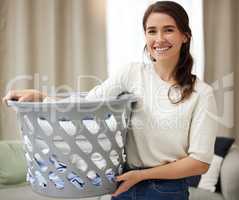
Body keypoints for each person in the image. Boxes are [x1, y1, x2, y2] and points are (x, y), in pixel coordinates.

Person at [2, 1, 218, 200]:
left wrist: (141, 176)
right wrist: (41, 98)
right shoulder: (131, 73)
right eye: (152, 31)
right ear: (145, 36)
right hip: (123, 182)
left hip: (166, 190)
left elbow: (199, 163)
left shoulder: (202, 93)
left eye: (168, 30)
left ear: (185, 36)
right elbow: (89, 104)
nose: (159, 39)